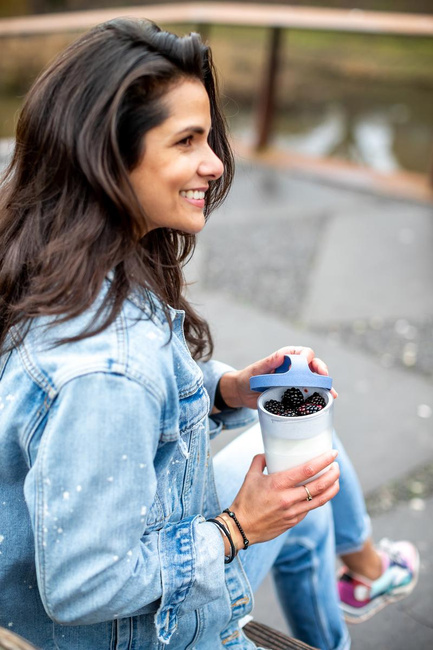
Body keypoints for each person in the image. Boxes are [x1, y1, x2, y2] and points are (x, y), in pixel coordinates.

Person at [0, 18, 418, 650]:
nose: (215, 162)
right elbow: (84, 584)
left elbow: (133, 402)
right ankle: (362, 579)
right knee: (291, 492)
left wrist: (235, 387)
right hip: (147, 635)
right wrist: (235, 529)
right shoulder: (105, 365)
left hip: (132, 568)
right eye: (187, 140)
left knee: (304, 483)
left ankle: (349, 603)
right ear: (107, 155)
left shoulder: (59, 266)